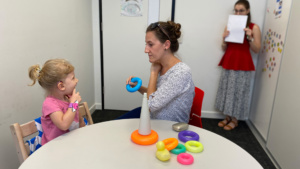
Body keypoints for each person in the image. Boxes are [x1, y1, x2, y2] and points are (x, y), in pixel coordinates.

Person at [121, 21, 195, 123]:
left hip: (168, 128)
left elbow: (150, 105)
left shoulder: (181, 72)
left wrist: (153, 73)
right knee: (115, 124)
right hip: (154, 118)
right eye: (146, 44)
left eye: (150, 44)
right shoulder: (162, 65)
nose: (146, 50)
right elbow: (157, 96)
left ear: (166, 44)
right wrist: (138, 87)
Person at [215, 0, 261, 130]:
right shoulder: (229, 26)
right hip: (229, 60)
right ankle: (228, 116)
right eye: (236, 10)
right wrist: (224, 39)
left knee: (239, 91)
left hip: (243, 63)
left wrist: (250, 37)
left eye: (241, 10)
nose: (238, 13)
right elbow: (224, 47)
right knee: (227, 90)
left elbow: (257, 49)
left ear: (247, 11)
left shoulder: (254, 27)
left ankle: (235, 119)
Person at [28, 59, 85, 145]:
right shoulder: (50, 104)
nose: (77, 80)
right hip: (55, 148)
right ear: (61, 86)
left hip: (72, 142)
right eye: (73, 78)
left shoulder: (69, 97)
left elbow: (79, 119)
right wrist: (74, 103)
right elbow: (64, 125)